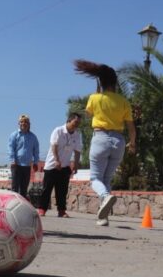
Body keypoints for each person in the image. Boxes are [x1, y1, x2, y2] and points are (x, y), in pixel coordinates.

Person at [75, 59, 136, 227]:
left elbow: (88, 115)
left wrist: (96, 94)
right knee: (107, 179)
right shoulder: (123, 101)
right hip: (119, 141)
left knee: (95, 178)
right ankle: (103, 218)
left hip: (100, 138)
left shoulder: (95, 98)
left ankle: (105, 197)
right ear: (115, 82)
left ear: (100, 82)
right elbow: (131, 126)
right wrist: (133, 144)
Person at [37, 113, 82, 218]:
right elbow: (54, 146)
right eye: (75, 122)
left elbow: (77, 150)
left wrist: (76, 163)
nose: (77, 125)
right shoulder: (58, 131)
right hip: (52, 165)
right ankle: (42, 209)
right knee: (47, 189)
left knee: (62, 190)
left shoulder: (77, 135)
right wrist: (57, 160)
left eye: (79, 123)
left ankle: (61, 211)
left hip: (65, 166)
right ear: (69, 121)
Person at [7, 114, 40, 198]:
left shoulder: (33, 137)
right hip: (16, 165)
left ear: (29, 124)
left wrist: (35, 162)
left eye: (26, 122)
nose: (24, 123)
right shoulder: (14, 135)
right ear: (19, 123)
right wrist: (12, 160)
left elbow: (36, 151)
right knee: (15, 188)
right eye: (22, 122)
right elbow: (11, 148)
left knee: (24, 189)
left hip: (27, 166)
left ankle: (21, 209)